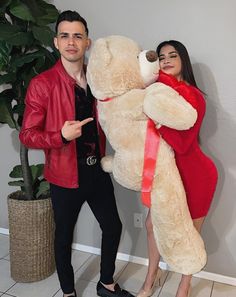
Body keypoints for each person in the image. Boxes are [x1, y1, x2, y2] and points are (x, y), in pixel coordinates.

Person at [19, 10, 134, 297]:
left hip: (97, 171)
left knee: (113, 226)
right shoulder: (42, 84)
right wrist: (59, 136)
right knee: (63, 238)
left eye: (78, 36)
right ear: (56, 42)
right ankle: (68, 292)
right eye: (65, 36)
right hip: (64, 175)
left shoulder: (98, 81)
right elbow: (27, 134)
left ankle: (106, 283)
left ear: (87, 42)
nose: (71, 42)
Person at [137, 40, 218, 297]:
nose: (166, 60)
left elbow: (183, 144)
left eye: (173, 55)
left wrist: (158, 119)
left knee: (190, 235)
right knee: (152, 225)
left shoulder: (194, 96)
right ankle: (151, 275)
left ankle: (186, 283)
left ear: (183, 60)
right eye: (161, 58)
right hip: (167, 174)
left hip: (196, 175)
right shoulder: (156, 92)